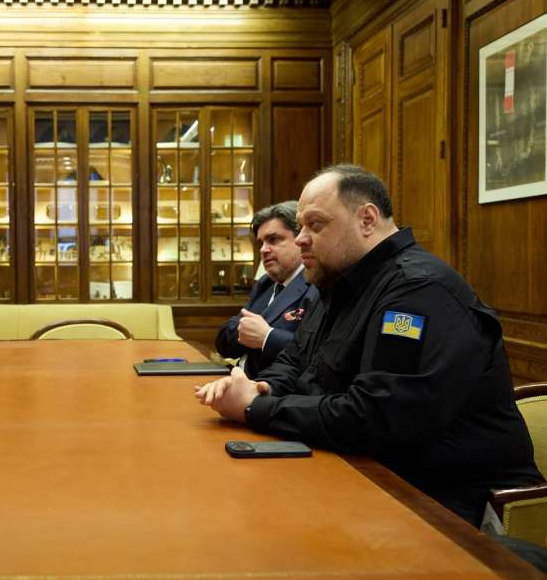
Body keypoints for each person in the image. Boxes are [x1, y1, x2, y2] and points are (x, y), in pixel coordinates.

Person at [194, 164, 543, 528]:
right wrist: (261, 386)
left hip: (453, 505)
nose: (300, 239)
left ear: (367, 220)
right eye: (300, 227)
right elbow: (295, 360)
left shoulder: (418, 290)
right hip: (365, 477)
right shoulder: (337, 283)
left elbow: (376, 417)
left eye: (315, 225)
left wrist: (256, 407)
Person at [215, 200, 318, 378]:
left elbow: (315, 353)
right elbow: (224, 341)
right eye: (261, 243)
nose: (263, 250)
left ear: (300, 239)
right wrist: (248, 332)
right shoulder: (266, 284)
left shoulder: (316, 285)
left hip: (272, 388)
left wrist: (267, 337)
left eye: (273, 240)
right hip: (236, 380)